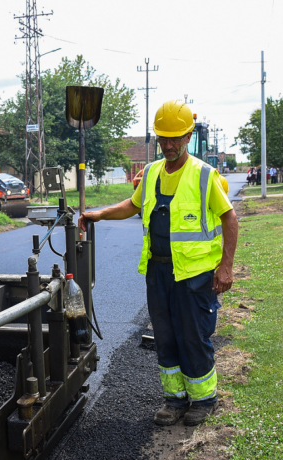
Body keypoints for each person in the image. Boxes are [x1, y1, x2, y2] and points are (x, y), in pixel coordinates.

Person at [79, 100, 238, 427]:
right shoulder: (150, 173)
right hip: (159, 272)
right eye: (163, 138)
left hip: (195, 276)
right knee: (165, 337)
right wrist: (99, 213)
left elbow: (230, 218)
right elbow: (132, 205)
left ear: (188, 135)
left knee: (193, 337)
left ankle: (204, 398)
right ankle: (175, 399)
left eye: (175, 138)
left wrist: (226, 267)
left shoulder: (205, 176)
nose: (168, 145)